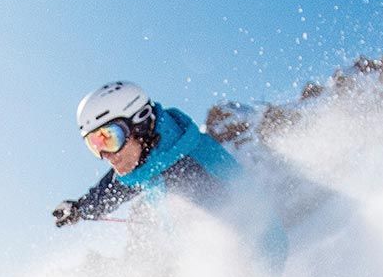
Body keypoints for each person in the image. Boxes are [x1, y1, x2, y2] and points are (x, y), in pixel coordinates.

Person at [51, 81, 290, 262]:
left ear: (141, 122)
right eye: (95, 144)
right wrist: (80, 208)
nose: (107, 155)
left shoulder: (190, 170)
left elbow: (261, 237)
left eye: (110, 138)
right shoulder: (150, 160)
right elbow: (114, 187)